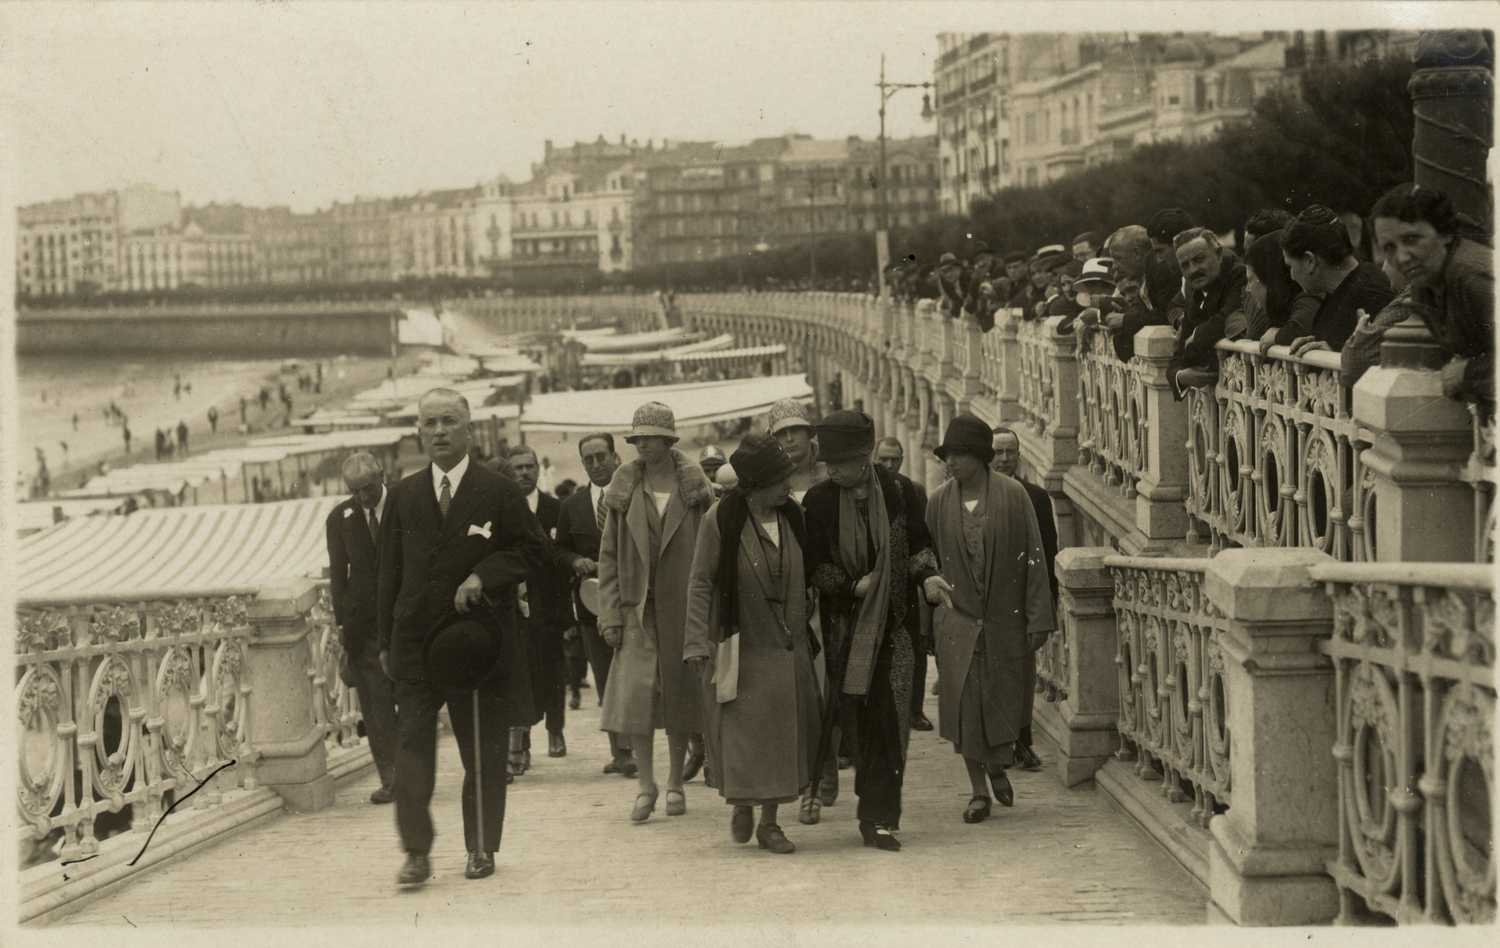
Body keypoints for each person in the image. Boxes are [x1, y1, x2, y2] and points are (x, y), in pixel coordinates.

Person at [377, 388, 546, 885]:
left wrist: (485, 575)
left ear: (469, 429)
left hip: (476, 643)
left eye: (449, 421)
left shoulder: (497, 490)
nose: (439, 432)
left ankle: (481, 847)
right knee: (411, 748)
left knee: (483, 751)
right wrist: (386, 642)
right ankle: (416, 852)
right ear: (418, 432)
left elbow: (533, 552)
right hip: (414, 645)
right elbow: (388, 572)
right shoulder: (404, 495)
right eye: (429, 423)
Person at [802, 410, 939, 852]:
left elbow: (919, 547)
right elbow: (815, 565)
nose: (832, 471)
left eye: (840, 463)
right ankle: (867, 802)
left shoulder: (901, 493)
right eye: (829, 465)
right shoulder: (819, 502)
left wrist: (929, 578)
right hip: (845, 630)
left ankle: (878, 817)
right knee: (857, 726)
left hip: (896, 627)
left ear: (864, 458)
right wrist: (846, 585)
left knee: (891, 721)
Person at [683, 434, 821, 855]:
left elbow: (812, 570)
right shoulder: (721, 520)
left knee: (782, 735)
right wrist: (695, 642)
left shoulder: (794, 517)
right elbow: (701, 581)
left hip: (787, 642)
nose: (789, 487)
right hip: (740, 642)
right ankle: (743, 799)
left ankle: (770, 822)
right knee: (744, 733)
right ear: (757, 484)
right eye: (781, 480)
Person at [924, 415, 1055, 824]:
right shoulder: (938, 502)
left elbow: (1035, 557)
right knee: (964, 708)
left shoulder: (1014, 496)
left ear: (980, 458)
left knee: (1002, 704)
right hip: (958, 624)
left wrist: (1038, 618)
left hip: (1004, 622)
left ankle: (997, 766)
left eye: (960, 456)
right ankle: (978, 790)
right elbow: (926, 562)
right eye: (949, 457)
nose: (953, 464)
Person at [597, 402, 713, 822]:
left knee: (680, 696)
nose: (640, 445)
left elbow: (711, 551)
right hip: (637, 610)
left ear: (667, 441)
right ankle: (645, 784)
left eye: (648, 438)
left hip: (684, 608)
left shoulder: (695, 489)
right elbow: (608, 556)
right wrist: (609, 612)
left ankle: (676, 783)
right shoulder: (624, 490)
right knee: (638, 700)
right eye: (636, 439)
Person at [1370, 182, 1494, 421]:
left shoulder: (1473, 277)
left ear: (1445, 233)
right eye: (1389, 247)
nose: (1402, 257)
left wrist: (1468, 374)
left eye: (1412, 239)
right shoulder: (1427, 284)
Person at [553, 432, 636, 777]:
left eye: (602, 456)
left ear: (616, 457)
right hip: (592, 605)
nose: (596, 464)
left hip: (633, 601)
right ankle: (621, 752)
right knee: (605, 677)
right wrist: (574, 561)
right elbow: (558, 550)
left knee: (640, 676)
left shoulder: (634, 496)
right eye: (589, 459)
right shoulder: (571, 506)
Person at [325, 452, 399, 805]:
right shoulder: (341, 517)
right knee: (376, 705)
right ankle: (392, 779)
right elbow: (339, 576)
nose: (364, 498)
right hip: (363, 626)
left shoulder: (404, 503)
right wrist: (340, 623)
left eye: (368, 489)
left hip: (404, 619)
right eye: (356, 491)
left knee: (412, 698)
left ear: (382, 476)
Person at [990, 426, 1057, 772]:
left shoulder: (1036, 497)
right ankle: (997, 745)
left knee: (1023, 673)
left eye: (1009, 452)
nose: (1003, 459)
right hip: (986, 604)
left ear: (1018, 455)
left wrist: (1048, 606)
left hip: (1021, 601)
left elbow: (1047, 553)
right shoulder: (975, 497)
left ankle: (1022, 741)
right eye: (997, 452)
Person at [507, 445, 570, 773]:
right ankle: (522, 742)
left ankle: (555, 730)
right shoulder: (503, 510)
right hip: (516, 609)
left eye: (529, 466)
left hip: (548, 606)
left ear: (537, 469)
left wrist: (565, 614)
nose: (523, 473)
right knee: (521, 676)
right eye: (516, 468)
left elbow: (562, 561)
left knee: (553, 672)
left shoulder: (554, 509)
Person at [874, 436, 935, 733]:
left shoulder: (912, 490)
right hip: (871, 584)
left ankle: (914, 710)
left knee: (914, 644)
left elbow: (921, 536)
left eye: (894, 459)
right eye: (883, 458)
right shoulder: (867, 490)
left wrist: (923, 573)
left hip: (906, 582)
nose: (889, 465)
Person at [1275, 204, 1393, 354]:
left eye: (1290, 266)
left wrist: (1333, 356)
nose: (1291, 276)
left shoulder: (1368, 293)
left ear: (1310, 261)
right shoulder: (1353, 286)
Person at [1168, 227, 1246, 398]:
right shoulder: (1195, 289)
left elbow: (1226, 316)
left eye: (1199, 260)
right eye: (1185, 265)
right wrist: (1181, 377)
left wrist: (1196, 335)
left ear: (1218, 254)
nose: (1192, 270)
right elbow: (1177, 354)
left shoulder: (1238, 274)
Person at [1243, 230, 1322, 344]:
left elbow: (1301, 327)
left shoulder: (1307, 298)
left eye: (1250, 280)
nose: (1248, 289)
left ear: (1268, 278)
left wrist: (1278, 336)